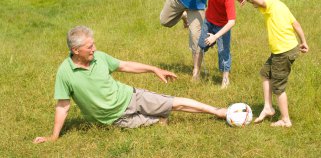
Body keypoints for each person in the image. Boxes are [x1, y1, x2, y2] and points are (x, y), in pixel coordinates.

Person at [33, 26, 227, 144]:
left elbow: (124, 65)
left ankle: (217, 111)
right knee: (158, 121)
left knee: (173, 103)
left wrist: (154, 69)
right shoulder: (65, 72)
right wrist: (54, 136)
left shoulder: (99, 58)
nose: (95, 49)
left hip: (131, 95)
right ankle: (158, 119)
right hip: (113, 119)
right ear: (76, 50)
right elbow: (63, 106)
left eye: (93, 44)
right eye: (89, 47)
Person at [234, 0, 309, 127]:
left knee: (278, 87)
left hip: (283, 52)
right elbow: (296, 24)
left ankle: (285, 119)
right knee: (265, 73)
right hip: (283, 50)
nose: (255, 6)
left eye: (253, 3)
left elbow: (261, 1)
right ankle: (268, 107)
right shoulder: (280, 4)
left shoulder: (268, 3)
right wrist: (304, 41)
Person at [191, 0, 238, 88]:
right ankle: (196, 71)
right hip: (209, 21)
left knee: (223, 52)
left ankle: (225, 79)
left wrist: (216, 37)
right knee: (201, 45)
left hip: (222, 26)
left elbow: (232, 22)